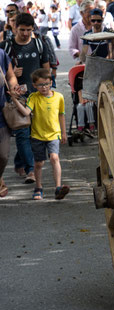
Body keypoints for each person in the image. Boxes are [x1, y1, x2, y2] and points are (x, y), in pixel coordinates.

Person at [2, 12, 51, 184]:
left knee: (33, 134)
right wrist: (12, 74)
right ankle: (31, 170)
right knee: (23, 133)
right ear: (15, 27)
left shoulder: (39, 44)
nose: (25, 33)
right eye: (22, 30)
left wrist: (46, 89)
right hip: (17, 98)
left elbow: (46, 69)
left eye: (28, 30)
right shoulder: (5, 47)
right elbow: (3, 73)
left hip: (37, 96)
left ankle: (19, 161)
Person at [24, 68, 67, 200]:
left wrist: (64, 133)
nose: (44, 87)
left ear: (51, 82)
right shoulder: (33, 97)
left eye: (47, 84)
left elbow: (61, 116)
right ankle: (38, 187)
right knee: (39, 163)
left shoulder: (59, 97)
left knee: (54, 158)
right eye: (40, 85)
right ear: (34, 86)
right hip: (37, 135)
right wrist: (15, 100)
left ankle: (58, 188)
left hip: (54, 134)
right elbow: (26, 112)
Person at [0, 46, 20, 198]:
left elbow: (10, 76)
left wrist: (14, 86)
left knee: (3, 155)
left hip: (2, 114)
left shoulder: (1, 54)